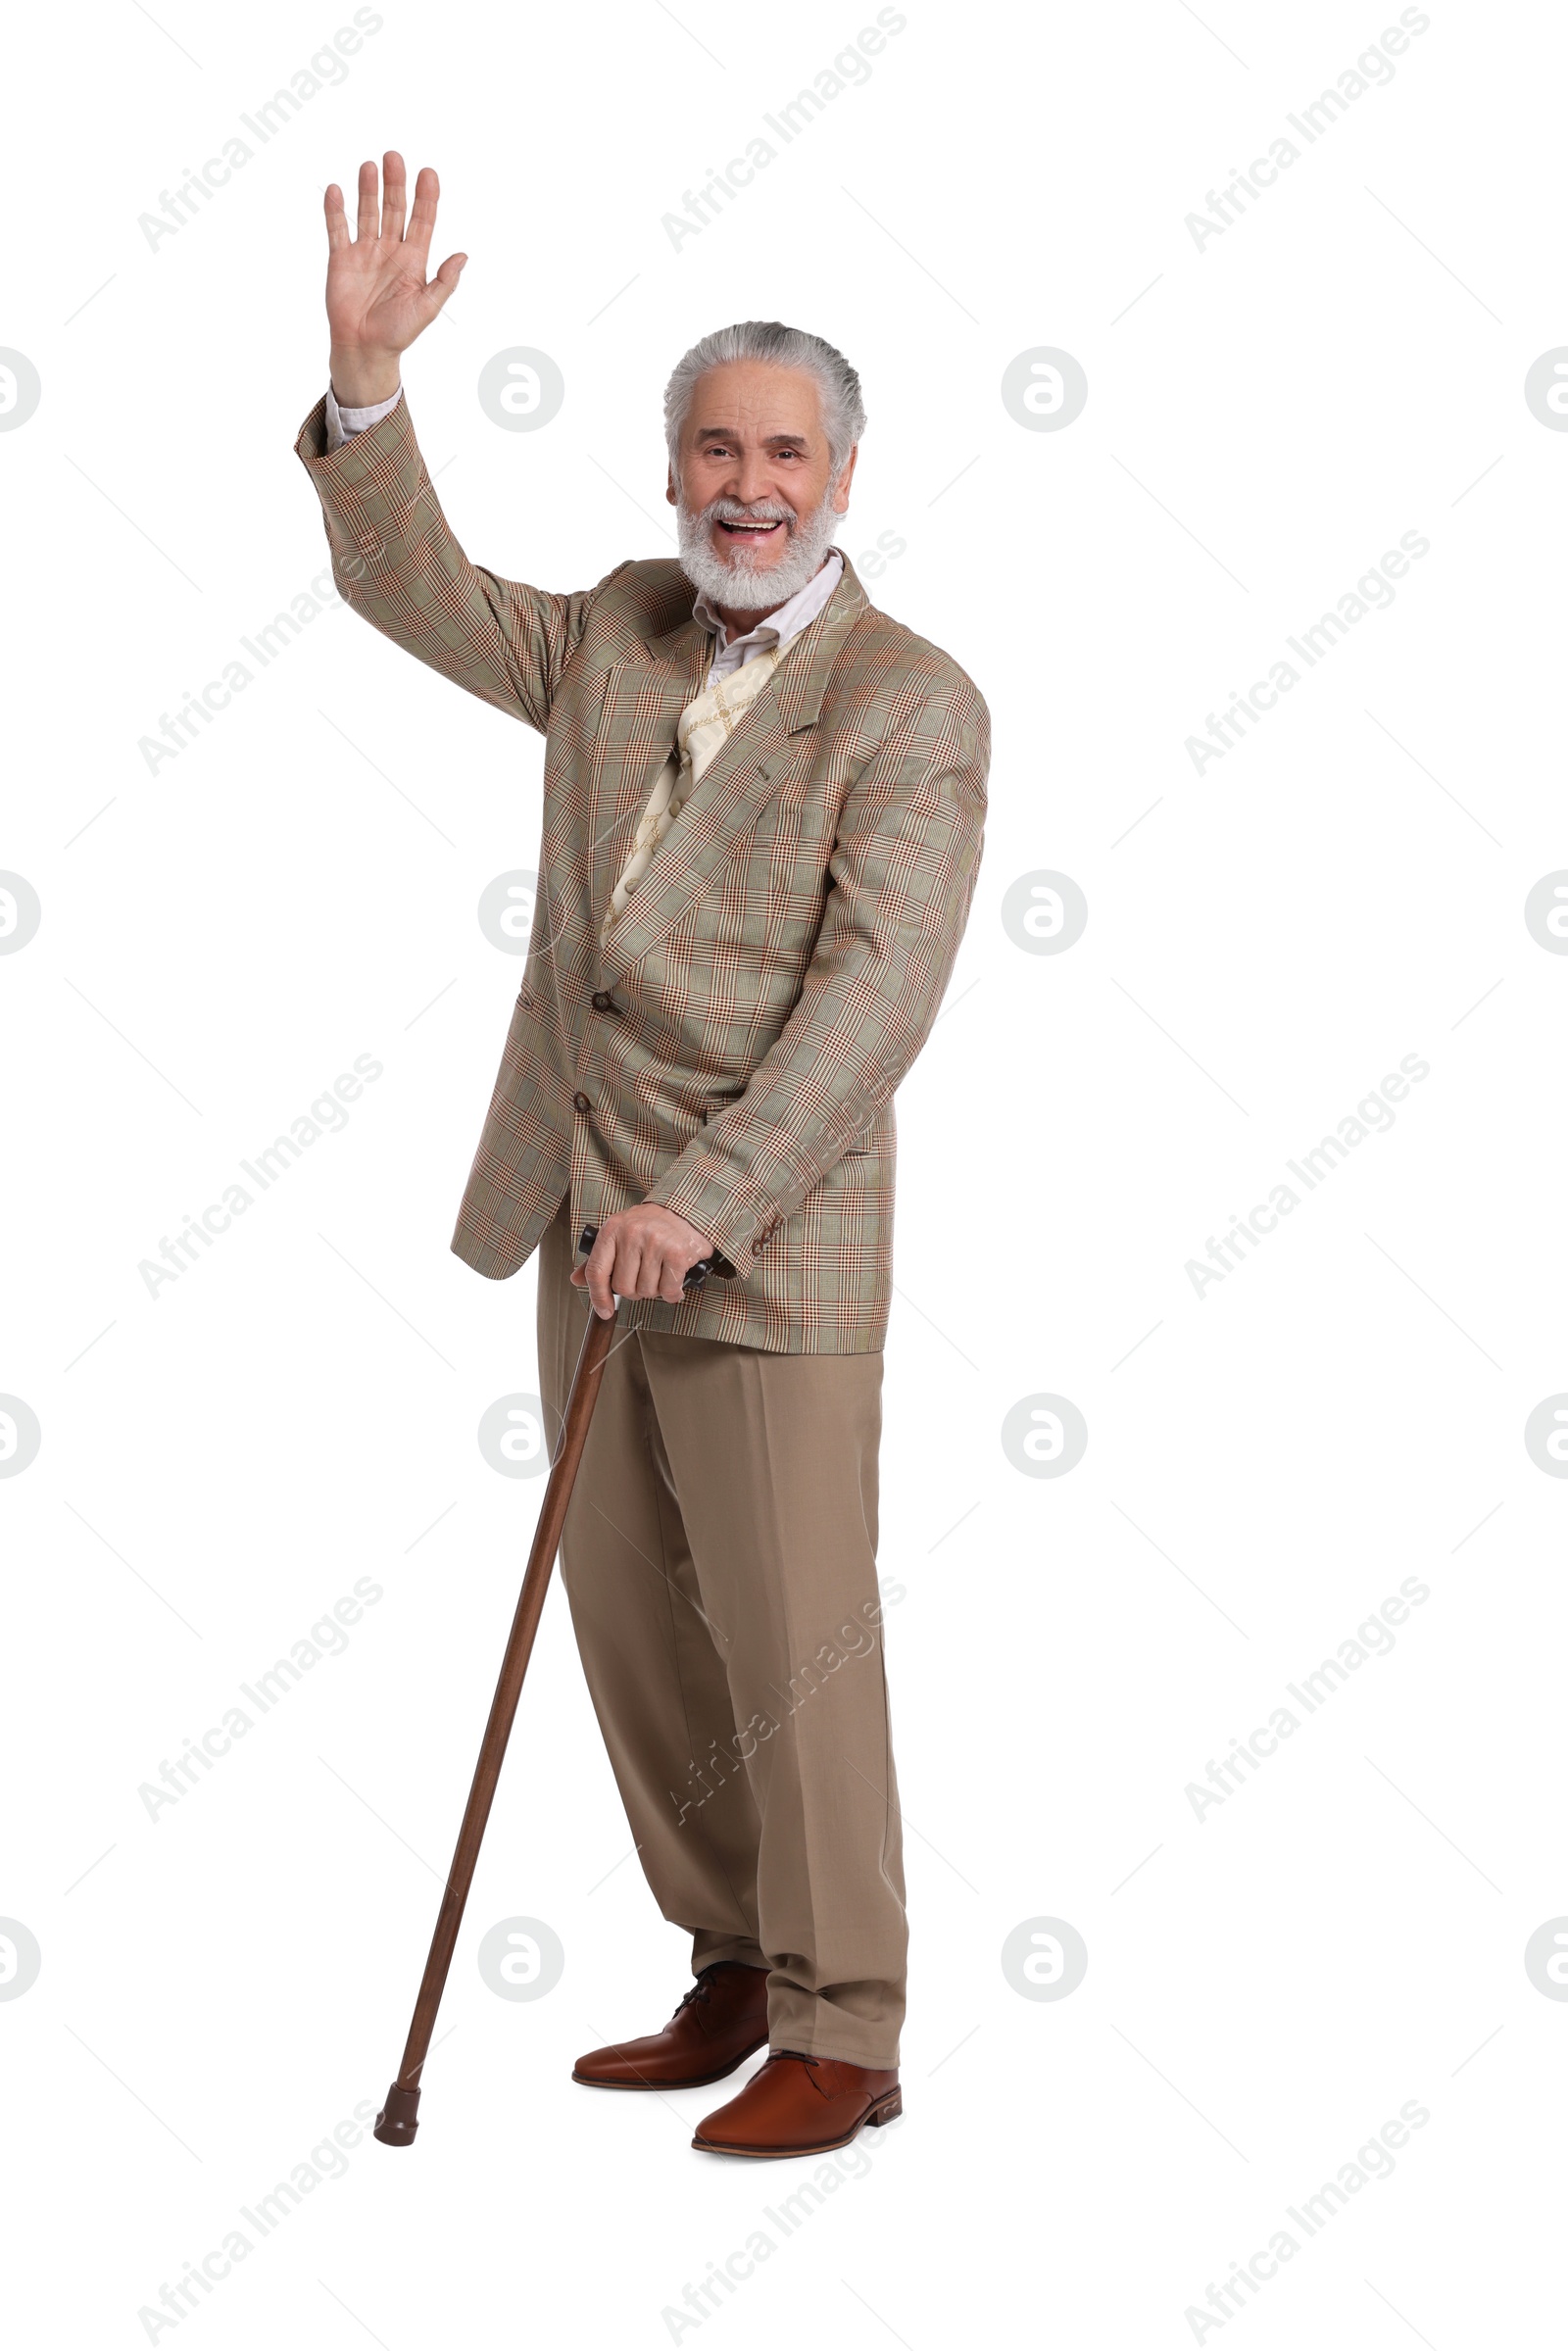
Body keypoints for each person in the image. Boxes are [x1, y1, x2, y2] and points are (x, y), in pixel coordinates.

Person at [297, 152, 988, 2159]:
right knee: (630, 1614)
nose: (743, 485)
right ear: (671, 470)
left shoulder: (910, 703)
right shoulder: (614, 631)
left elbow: (872, 1002)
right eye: (711, 448)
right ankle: (731, 1962)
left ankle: (843, 2026)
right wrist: (362, 390)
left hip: (762, 1247)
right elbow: (404, 589)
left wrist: (709, 1196)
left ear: (843, 476)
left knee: (790, 1639)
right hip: (587, 1217)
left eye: (782, 451)